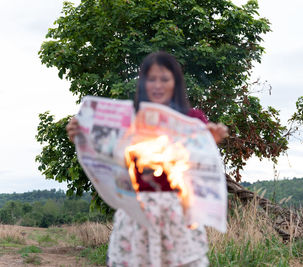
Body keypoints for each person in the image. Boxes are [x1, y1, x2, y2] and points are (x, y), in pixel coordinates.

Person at [66, 51, 228, 267]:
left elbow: (199, 161)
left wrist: (212, 139)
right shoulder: (129, 120)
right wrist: (80, 134)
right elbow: (105, 154)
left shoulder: (192, 119)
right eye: (151, 79)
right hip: (136, 211)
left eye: (164, 79)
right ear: (143, 83)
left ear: (175, 83)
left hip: (177, 213)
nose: (157, 85)